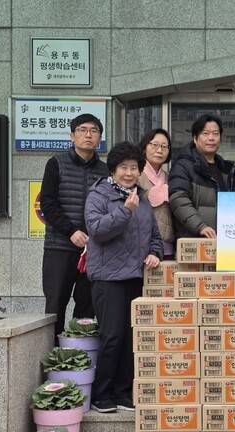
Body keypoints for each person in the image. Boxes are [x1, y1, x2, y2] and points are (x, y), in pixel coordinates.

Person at [84, 141, 163, 413]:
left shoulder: (141, 197)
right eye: (123, 167)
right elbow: (97, 230)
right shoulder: (99, 195)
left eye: (134, 168)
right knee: (112, 336)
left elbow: (154, 234)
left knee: (131, 337)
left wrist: (154, 253)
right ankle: (101, 394)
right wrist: (124, 211)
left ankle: (122, 392)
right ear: (113, 170)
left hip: (135, 276)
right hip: (108, 278)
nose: (129, 173)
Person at [40, 113, 108, 339]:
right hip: (59, 246)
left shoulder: (106, 171)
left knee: (87, 305)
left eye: (94, 131)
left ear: (99, 138)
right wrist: (71, 231)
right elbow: (48, 204)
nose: (88, 135)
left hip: (93, 250)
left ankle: (80, 353)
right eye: (82, 130)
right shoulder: (56, 163)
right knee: (55, 305)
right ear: (72, 136)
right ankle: (52, 353)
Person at [169, 114, 234, 238]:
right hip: (194, 239)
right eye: (205, 133)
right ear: (195, 138)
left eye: (216, 134)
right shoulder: (183, 165)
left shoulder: (224, 169)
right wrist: (200, 226)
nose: (211, 138)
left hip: (222, 239)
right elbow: (178, 199)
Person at [137, 128, 175, 259]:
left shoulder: (170, 177)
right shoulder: (135, 175)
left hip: (168, 244)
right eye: (155, 145)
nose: (159, 150)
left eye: (164, 146)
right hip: (141, 244)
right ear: (144, 147)